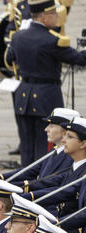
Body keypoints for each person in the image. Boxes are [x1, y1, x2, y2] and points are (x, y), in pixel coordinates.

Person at [6, 0, 86, 167]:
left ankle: (25, 184)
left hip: (23, 96)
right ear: (43, 17)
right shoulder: (51, 40)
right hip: (46, 97)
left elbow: (9, 59)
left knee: (27, 147)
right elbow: (79, 59)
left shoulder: (18, 37)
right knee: (46, 147)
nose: (57, 17)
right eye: (54, 14)